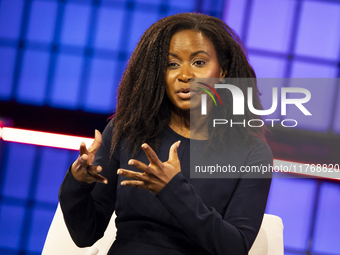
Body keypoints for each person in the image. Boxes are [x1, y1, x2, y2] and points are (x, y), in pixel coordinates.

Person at [59, 13, 272, 255]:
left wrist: (172, 190)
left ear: (222, 71)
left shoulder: (252, 153)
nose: (185, 75)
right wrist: (78, 182)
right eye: (172, 64)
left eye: (199, 63)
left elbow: (234, 248)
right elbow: (85, 234)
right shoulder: (127, 131)